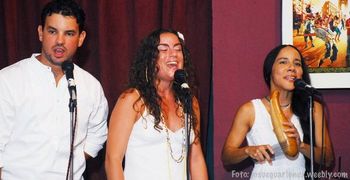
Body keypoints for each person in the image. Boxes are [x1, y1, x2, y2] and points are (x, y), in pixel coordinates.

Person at [0, 0, 108, 179]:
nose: (60, 41)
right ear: (41, 33)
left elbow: (97, 135)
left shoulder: (91, 86)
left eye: (69, 33)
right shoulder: (9, 79)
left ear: (81, 38)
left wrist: (71, 162)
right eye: (52, 31)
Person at [105, 28, 208, 180]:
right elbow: (112, 160)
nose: (173, 54)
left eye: (178, 49)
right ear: (150, 58)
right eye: (164, 49)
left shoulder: (190, 101)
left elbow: (196, 158)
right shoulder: (132, 100)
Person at [221, 45, 334, 179]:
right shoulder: (250, 110)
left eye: (297, 64)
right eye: (283, 62)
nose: (292, 67)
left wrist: (301, 146)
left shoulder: (313, 107)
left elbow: (328, 159)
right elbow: (226, 156)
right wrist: (248, 150)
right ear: (270, 71)